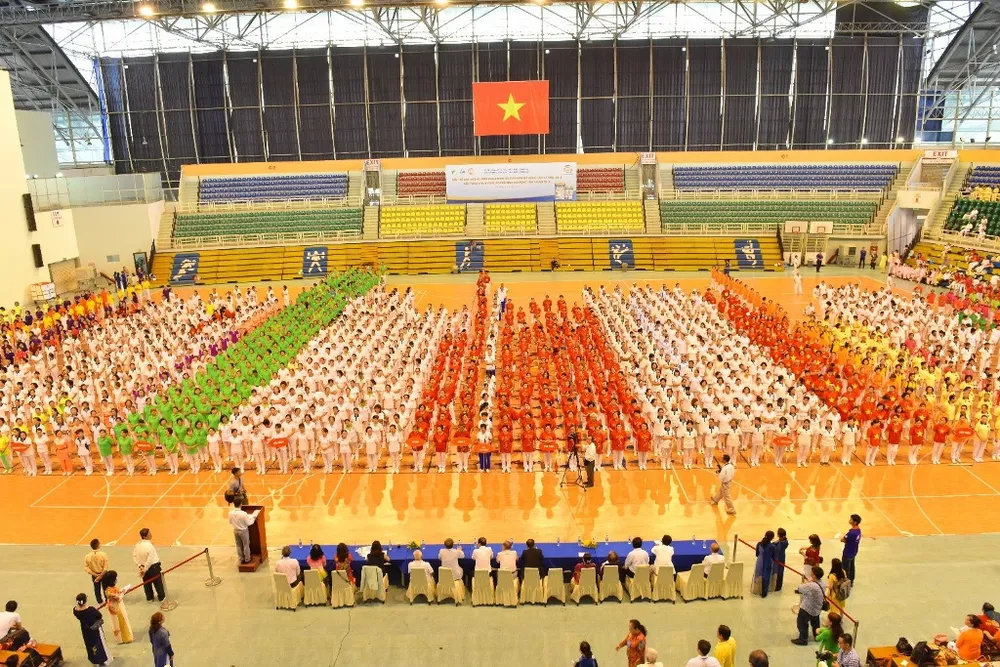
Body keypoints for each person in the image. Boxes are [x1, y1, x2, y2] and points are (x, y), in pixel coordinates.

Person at [791, 565, 826, 646]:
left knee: (802, 623)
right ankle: (817, 636)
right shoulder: (823, 583)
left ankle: (803, 639)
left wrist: (807, 582)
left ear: (814, 575)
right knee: (815, 623)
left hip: (807, 608)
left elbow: (800, 588)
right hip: (817, 608)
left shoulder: (811, 585)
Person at [73, 593, 110, 665]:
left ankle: (93, 659)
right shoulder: (91, 610)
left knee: (89, 644)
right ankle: (101, 659)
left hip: (85, 629)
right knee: (98, 643)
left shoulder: (76, 610)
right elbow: (99, 615)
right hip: (94, 629)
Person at [133, 528, 165, 603]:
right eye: (149, 533)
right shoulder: (149, 546)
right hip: (153, 567)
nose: (151, 534)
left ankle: (149, 598)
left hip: (143, 566)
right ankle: (161, 598)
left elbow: (134, 556)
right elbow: (150, 559)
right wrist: (145, 568)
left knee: (146, 583)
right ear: (145, 536)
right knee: (158, 582)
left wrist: (140, 566)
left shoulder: (137, 545)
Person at [102, 570, 133, 645]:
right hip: (116, 607)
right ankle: (124, 638)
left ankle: (121, 638)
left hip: (115, 606)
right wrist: (124, 592)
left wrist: (122, 591)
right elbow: (118, 598)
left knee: (117, 622)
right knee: (120, 622)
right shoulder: (109, 591)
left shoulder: (109, 589)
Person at [228, 500, 260, 565]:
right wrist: (253, 517)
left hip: (236, 530)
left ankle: (241, 559)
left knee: (238, 545)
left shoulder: (230, 513)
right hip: (243, 531)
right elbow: (249, 523)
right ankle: (247, 559)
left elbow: (230, 522)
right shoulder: (243, 514)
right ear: (241, 504)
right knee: (246, 545)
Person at [84, 539, 109, 604]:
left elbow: (86, 568)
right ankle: (107, 600)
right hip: (103, 574)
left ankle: (99, 602)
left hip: (94, 575)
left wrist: (95, 575)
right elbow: (105, 567)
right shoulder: (103, 555)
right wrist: (101, 575)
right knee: (106, 588)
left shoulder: (87, 556)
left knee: (97, 589)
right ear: (98, 545)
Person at [753, 531, 776, 598]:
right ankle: (764, 593)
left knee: (758, 575)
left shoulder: (759, 544)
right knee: (766, 576)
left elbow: (757, 554)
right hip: (768, 562)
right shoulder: (772, 546)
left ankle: (757, 590)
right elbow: (774, 557)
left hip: (760, 561)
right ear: (772, 538)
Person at [840, 514, 862, 583]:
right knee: (852, 567)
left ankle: (847, 582)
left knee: (846, 568)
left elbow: (843, 540)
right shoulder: (858, 530)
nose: (849, 520)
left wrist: (842, 538)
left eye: (851, 519)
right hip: (853, 551)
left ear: (855, 522)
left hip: (848, 552)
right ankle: (851, 580)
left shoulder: (852, 533)